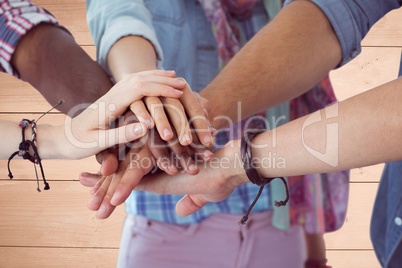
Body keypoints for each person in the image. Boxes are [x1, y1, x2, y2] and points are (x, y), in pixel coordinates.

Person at [116, 0, 402, 267]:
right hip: (168, 229)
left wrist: (232, 161)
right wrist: (193, 118)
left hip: (275, 224)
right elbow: (337, 9)